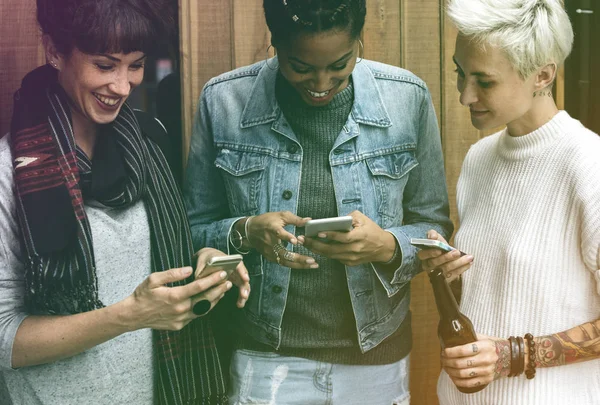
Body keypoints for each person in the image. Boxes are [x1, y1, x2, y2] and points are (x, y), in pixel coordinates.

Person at [184, 0, 453, 403]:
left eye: (340, 64)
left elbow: (435, 226)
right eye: (301, 67)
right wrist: (244, 232)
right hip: (263, 356)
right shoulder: (224, 101)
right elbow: (191, 229)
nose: (321, 82)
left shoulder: (406, 98)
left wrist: (386, 246)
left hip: (375, 356)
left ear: (360, 41)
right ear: (274, 42)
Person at [0, 1, 250, 404]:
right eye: (104, 65)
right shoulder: (9, 174)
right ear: (54, 52)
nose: (122, 86)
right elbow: (4, 339)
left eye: (135, 65)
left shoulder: (148, 147)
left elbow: (156, 270)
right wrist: (129, 316)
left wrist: (199, 265)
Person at [417, 1, 600, 404]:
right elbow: (496, 295)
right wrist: (449, 274)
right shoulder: (480, 159)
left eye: (484, 81)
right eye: (460, 73)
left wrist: (513, 355)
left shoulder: (589, 164)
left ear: (543, 75)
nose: (465, 95)